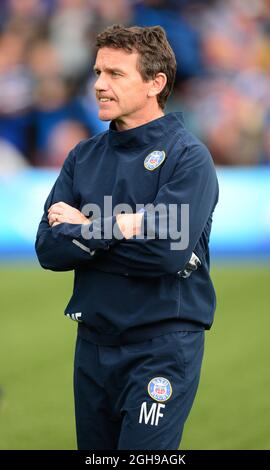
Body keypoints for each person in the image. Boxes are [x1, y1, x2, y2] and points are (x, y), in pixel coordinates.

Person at [35, 24, 219, 450]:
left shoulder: (187, 157)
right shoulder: (83, 156)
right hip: (93, 344)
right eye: (98, 72)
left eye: (115, 74)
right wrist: (122, 225)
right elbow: (48, 248)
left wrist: (85, 230)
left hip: (161, 348)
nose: (99, 84)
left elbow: (165, 255)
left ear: (155, 83)